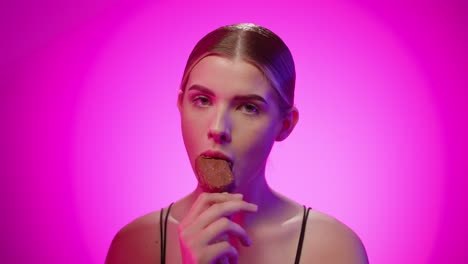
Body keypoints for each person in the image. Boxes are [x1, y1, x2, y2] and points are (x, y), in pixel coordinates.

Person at [105, 23, 368, 264]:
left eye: (248, 107)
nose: (218, 128)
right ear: (181, 106)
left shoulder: (334, 248)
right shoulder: (134, 245)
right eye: (203, 101)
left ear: (285, 124)